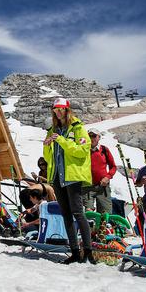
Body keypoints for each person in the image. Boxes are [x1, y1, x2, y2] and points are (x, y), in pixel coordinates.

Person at [43, 97, 95, 264]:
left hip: (72, 176)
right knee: (65, 214)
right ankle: (74, 251)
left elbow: (82, 151)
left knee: (78, 213)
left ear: (67, 109)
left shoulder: (78, 128)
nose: (57, 112)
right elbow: (47, 157)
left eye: (60, 109)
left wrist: (62, 141)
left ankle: (88, 250)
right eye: (55, 110)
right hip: (57, 177)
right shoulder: (52, 130)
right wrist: (46, 145)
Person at [82, 128, 116, 215]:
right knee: (88, 214)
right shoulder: (82, 150)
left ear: (99, 137)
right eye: (89, 136)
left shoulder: (104, 150)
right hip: (87, 187)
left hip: (103, 187)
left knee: (105, 214)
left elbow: (113, 167)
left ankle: (102, 228)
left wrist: (107, 177)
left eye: (94, 136)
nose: (91, 138)